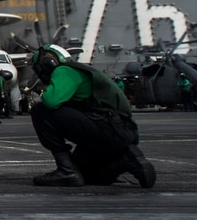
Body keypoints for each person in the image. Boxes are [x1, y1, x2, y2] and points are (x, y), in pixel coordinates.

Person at [29, 45, 155, 188]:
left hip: (108, 130)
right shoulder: (81, 70)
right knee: (87, 175)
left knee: (41, 111)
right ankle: (126, 160)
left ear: (48, 63)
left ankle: (67, 170)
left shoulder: (63, 71)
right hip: (123, 132)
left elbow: (51, 101)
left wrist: (43, 91)